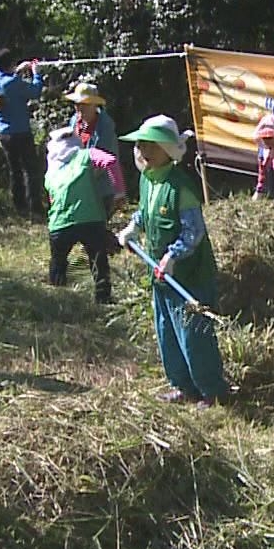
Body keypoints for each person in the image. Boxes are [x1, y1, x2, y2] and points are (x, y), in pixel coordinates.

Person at [115, 115, 230, 405]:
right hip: (161, 275)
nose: (141, 151)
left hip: (189, 276)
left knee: (194, 336)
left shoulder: (181, 187)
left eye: (149, 145)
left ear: (167, 149)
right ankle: (183, 387)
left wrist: (173, 255)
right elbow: (145, 212)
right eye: (139, 145)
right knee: (167, 331)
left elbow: (194, 231)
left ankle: (212, 392)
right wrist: (133, 228)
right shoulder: (147, 180)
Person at [44, 125, 124, 304]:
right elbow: (110, 161)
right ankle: (103, 297)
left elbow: (51, 198)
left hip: (59, 223)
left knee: (58, 261)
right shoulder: (86, 154)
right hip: (91, 218)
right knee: (98, 259)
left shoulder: (52, 170)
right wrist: (118, 192)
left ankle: (58, 299)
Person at [0, 48, 43, 216]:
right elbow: (35, 91)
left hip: (4, 134)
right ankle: (35, 208)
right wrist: (36, 73)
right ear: (10, 64)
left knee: (14, 170)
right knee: (30, 170)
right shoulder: (13, 83)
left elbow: (7, 80)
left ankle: (20, 207)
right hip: (21, 132)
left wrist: (18, 70)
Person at [64, 80, 119, 159]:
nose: (80, 108)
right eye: (77, 104)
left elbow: (103, 156)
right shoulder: (74, 121)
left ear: (95, 105)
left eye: (85, 103)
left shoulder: (105, 125)